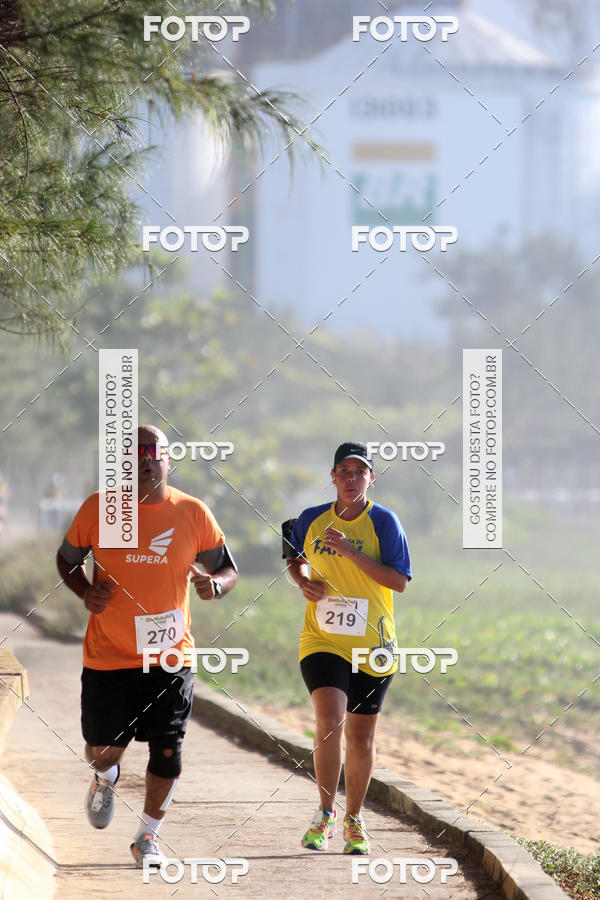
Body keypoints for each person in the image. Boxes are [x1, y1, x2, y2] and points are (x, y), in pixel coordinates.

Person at [56, 425, 238, 868]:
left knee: (169, 748)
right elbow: (66, 558)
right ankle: (106, 777)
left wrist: (214, 585)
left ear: (168, 460)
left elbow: (227, 569)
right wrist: (85, 592)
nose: (146, 461)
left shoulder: (192, 513)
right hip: (109, 654)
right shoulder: (101, 508)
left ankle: (147, 838)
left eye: (154, 453)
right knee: (102, 748)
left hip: (171, 655)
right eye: (136, 455)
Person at [285, 441, 411, 855]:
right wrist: (302, 579)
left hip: (373, 643)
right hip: (322, 638)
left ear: (370, 479)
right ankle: (325, 813)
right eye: (344, 470)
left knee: (360, 738)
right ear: (333, 477)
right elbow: (292, 551)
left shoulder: (385, 523)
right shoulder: (311, 519)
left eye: (360, 471)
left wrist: (351, 552)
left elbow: (398, 581)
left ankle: (354, 820)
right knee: (330, 719)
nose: (352, 478)